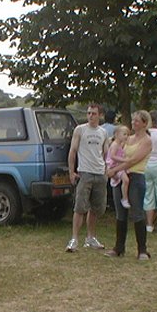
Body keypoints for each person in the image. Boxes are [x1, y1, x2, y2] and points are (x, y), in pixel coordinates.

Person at [104, 110, 153, 259]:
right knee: (120, 212)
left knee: (137, 212)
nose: (133, 123)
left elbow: (133, 160)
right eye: (133, 120)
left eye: (137, 121)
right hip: (121, 176)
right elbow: (117, 154)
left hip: (136, 176)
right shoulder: (127, 139)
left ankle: (142, 250)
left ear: (144, 123)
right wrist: (111, 168)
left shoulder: (146, 141)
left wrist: (114, 170)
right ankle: (119, 247)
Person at [65, 103, 108, 252]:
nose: (90, 116)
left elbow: (105, 153)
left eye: (94, 113)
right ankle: (74, 239)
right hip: (85, 173)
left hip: (100, 173)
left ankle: (90, 237)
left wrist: (106, 170)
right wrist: (72, 172)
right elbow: (73, 151)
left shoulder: (103, 132)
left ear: (99, 115)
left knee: (96, 208)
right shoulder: (80, 130)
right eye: (89, 113)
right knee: (80, 207)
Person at [105, 125, 131, 209]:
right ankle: (124, 198)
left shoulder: (119, 144)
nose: (126, 136)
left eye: (127, 134)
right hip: (114, 166)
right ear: (117, 134)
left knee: (125, 180)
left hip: (117, 166)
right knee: (126, 180)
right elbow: (112, 156)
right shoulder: (115, 145)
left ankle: (124, 198)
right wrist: (123, 160)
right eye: (124, 134)